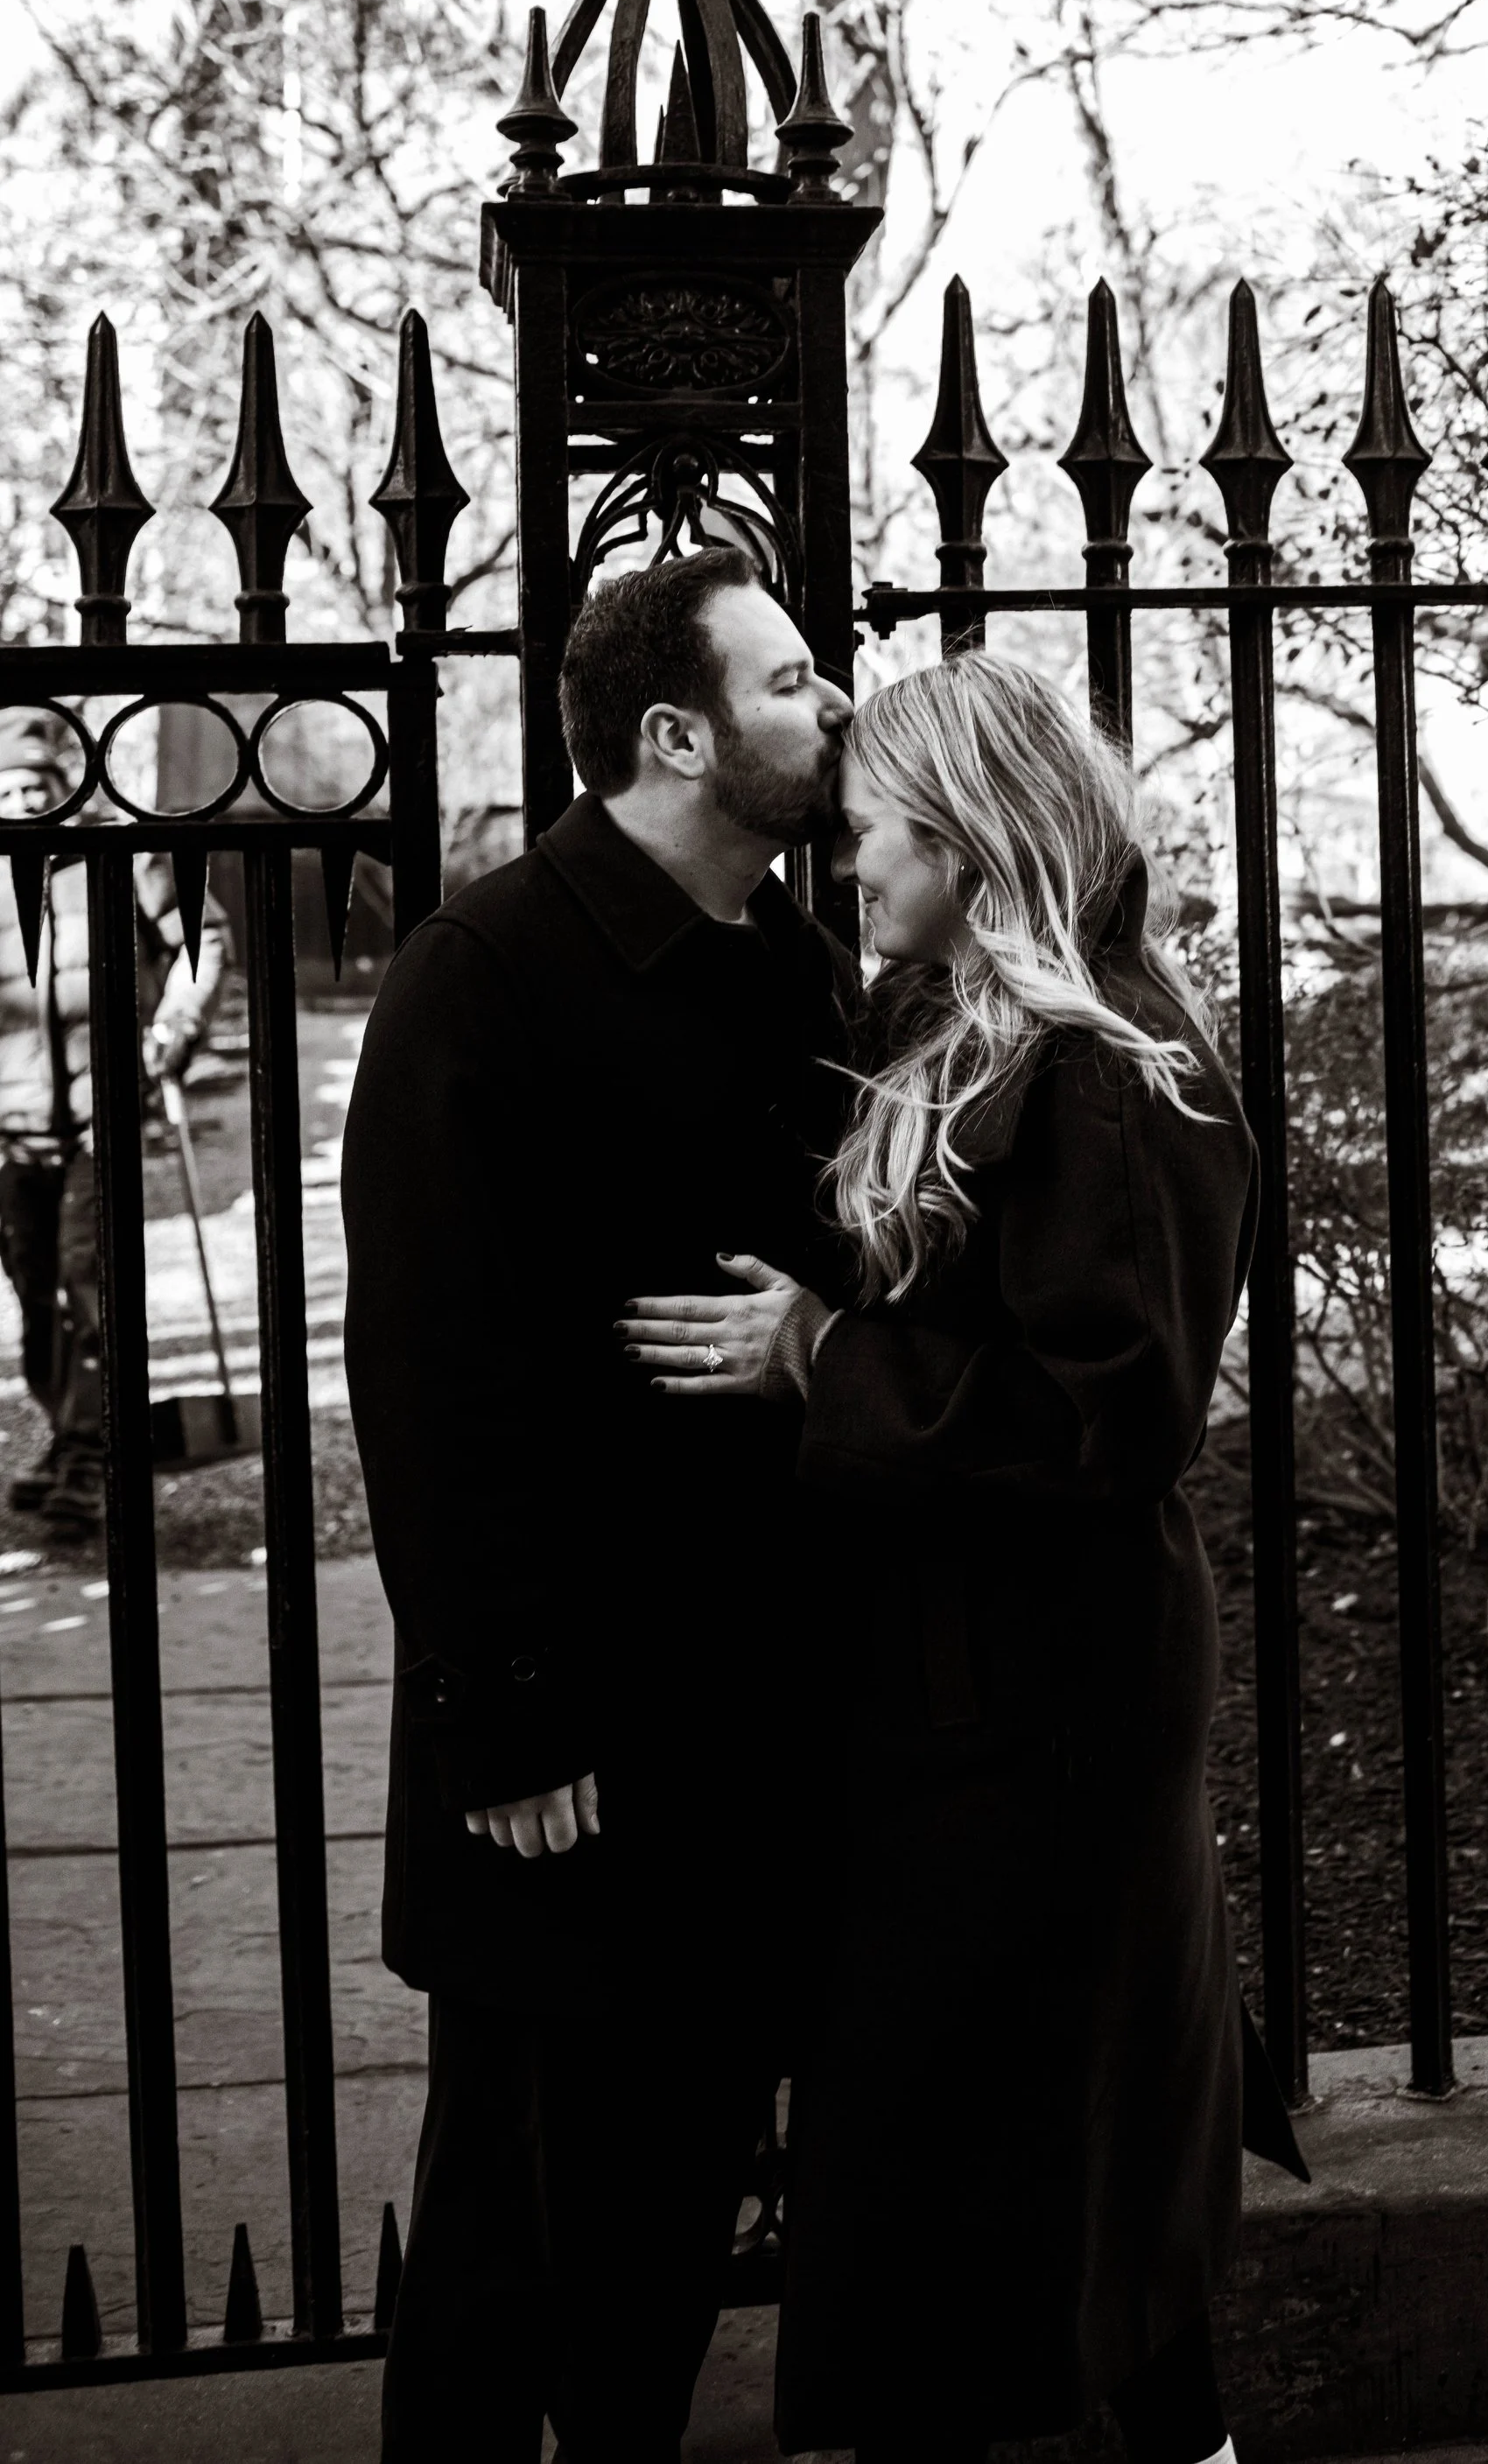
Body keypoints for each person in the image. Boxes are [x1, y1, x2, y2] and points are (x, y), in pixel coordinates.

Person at [620, 652, 1302, 2464]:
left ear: (968, 833)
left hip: (1048, 1706)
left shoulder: (1102, 1070)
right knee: (1017, 2141)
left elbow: (1109, 1416)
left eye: (863, 840)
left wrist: (824, 1360)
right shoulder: (958, 1024)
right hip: (962, 1688)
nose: (840, 873)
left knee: (1027, 2137)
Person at [341, 544, 856, 2464]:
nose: (831, 707)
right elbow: (426, 1378)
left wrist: (822, 1318)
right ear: (674, 732)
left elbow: (868, 1260)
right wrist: (510, 1710)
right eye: (792, 680)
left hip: (747, 1731)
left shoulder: (796, 973)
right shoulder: (479, 977)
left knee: (656, 2258)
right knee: (504, 2251)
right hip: (553, 1754)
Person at [0, 708, 226, 1541]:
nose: (24, 802)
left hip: (105, 1120)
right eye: (9, 789)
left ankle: (93, 1456)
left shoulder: (121, 855)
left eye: (38, 786)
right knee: (33, 1300)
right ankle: (68, 1435)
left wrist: (175, 1026)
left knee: (88, 1282)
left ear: (64, 788)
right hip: (12, 1130)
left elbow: (204, 939)